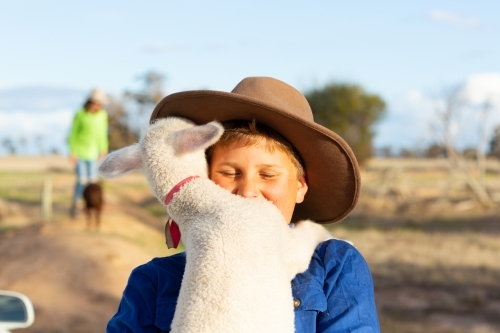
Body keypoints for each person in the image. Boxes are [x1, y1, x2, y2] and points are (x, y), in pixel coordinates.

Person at [107, 77, 380, 332]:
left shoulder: (334, 265)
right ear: (204, 177)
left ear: (300, 186)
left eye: (268, 175)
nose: (248, 191)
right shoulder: (154, 281)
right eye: (229, 173)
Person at [68, 89, 109, 218]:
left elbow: (102, 133)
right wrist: (73, 152)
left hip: (94, 153)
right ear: (91, 102)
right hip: (80, 152)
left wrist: (104, 148)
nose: (99, 106)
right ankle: (75, 203)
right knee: (82, 179)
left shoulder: (103, 115)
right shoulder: (80, 114)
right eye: (97, 103)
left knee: (93, 181)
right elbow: (73, 134)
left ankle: (91, 205)